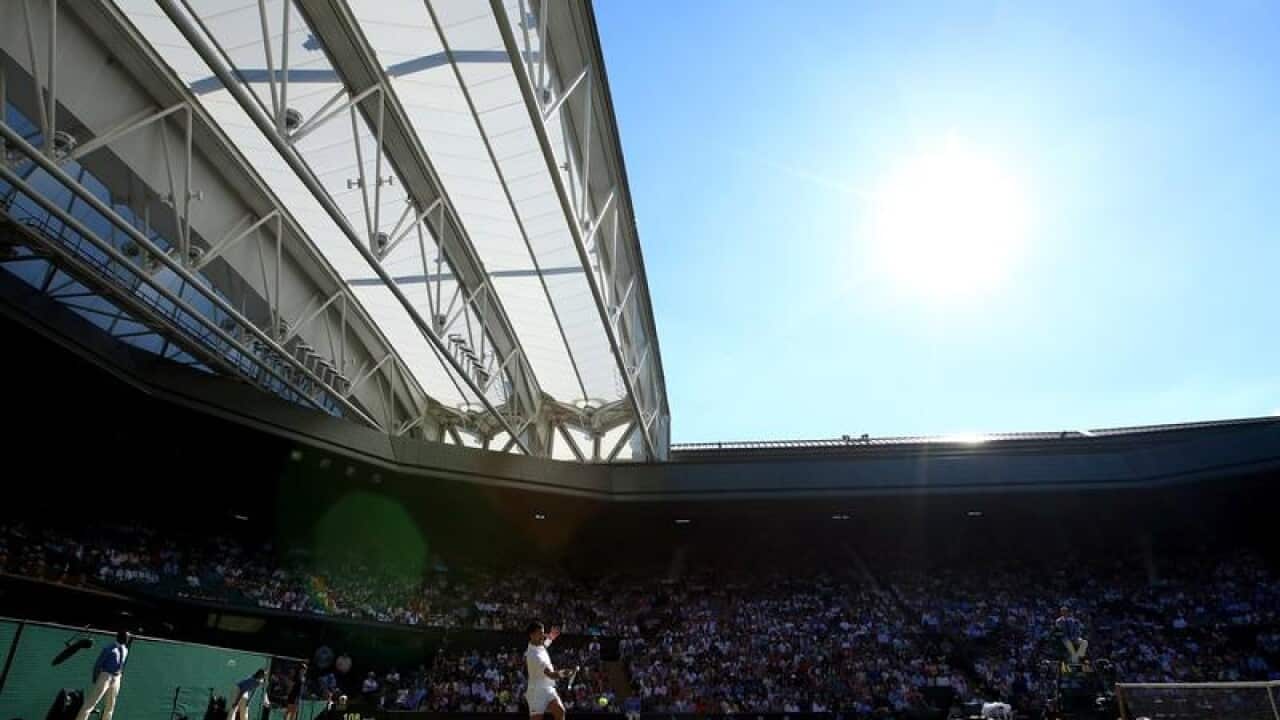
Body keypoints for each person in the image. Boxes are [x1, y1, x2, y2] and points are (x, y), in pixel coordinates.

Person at [75, 630, 130, 720]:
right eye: (126, 637)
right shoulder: (108, 648)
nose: (127, 639)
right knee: (91, 703)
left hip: (117, 678)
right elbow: (98, 664)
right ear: (120, 637)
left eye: (128, 637)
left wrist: (119, 677)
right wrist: (96, 678)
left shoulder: (125, 650)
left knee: (110, 705)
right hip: (105, 676)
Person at [525, 622, 575, 720]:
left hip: (548, 687)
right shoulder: (533, 656)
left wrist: (551, 637)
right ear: (531, 635)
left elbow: (544, 646)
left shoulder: (536, 644)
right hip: (536, 692)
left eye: (543, 632)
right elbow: (551, 675)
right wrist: (564, 673)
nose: (542, 636)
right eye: (539, 633)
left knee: (560, 711)